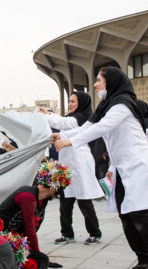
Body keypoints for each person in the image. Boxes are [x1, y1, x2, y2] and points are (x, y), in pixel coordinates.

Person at [53, 67, 148, 269]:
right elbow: (87, 126)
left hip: (138, 165)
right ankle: (144, 257)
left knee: (139, 212)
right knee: (125, 213)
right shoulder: (107, 105)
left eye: (99, 80)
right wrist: (59, 135)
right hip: (123, 167)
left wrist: (71, 141)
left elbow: (102, 127)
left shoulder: (122, 104)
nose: (95, 84)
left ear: (110, 82)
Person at [41, 91, 103, 245]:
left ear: (81, 103)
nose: (69, 104)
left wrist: (47, 116)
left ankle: (95, 233)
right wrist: (49, 115)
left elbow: (62, 123)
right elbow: (62, 123)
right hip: (67, 163)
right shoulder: (72, 119)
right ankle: (67, 233)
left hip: (79, 162)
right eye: (69, 101)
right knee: (65, 200)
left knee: (84, 199)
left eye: (73, 101)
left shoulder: (80, 119)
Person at [0, 160, 67, 253]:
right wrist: (36, 254)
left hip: (15, 238)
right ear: (54, 188)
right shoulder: (28, 196)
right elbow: (30, 228)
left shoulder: (43, 199)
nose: (57, 195)